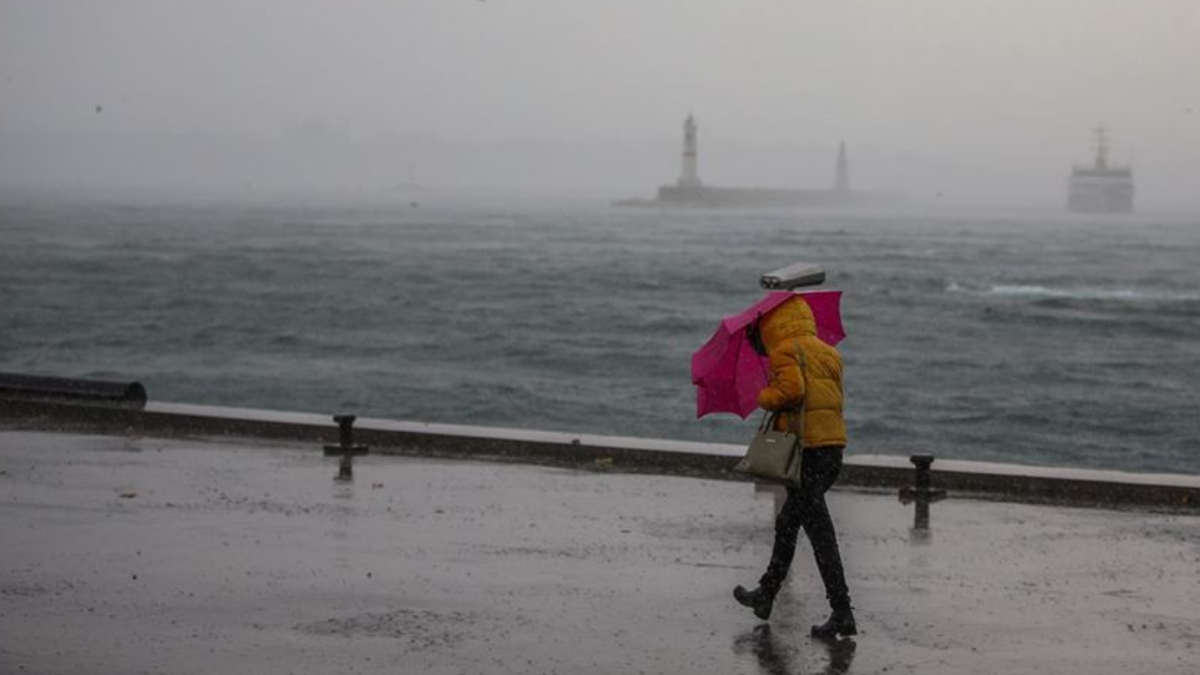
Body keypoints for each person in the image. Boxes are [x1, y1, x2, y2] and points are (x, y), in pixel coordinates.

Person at [733, 295, 856, 637]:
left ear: (774, 324)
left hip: (806, 453)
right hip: (831, 449)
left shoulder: (785, 350)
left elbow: (792, 391)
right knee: (789, 522)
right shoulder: (828, 352)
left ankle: (842, 611)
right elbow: (825, 398)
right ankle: (767, 594)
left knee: (820, 534)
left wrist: (764, 396)